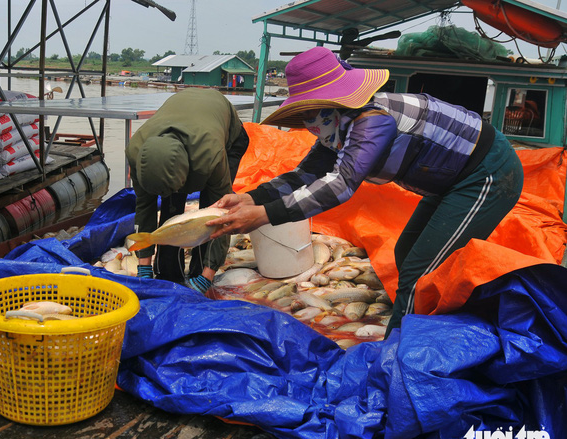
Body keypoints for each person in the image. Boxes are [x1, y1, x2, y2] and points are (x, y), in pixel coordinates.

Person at [206, 47, 523, 337]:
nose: (309, 122)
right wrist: (252, 197)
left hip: (487, 174)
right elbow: (304, 175)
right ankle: (424, 314)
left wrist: (263, 215)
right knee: (405, 254)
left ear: (332, 103)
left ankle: (399, 350)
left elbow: (341, 185)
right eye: (305, 115)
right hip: (445, 182)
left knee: (418, 268)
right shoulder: (340, 128)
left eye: (312, 112)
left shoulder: (373, 122)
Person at [126, 88, 249, 294]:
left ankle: (200, 272)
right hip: (181, 132)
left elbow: (223, 215)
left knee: (212, 210)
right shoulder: (137, 153)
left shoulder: (211, 156)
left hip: (227, 136)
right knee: (171, 203)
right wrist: (143, 265)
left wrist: (207, 277)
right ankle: (166, 272)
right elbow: (144, 207)